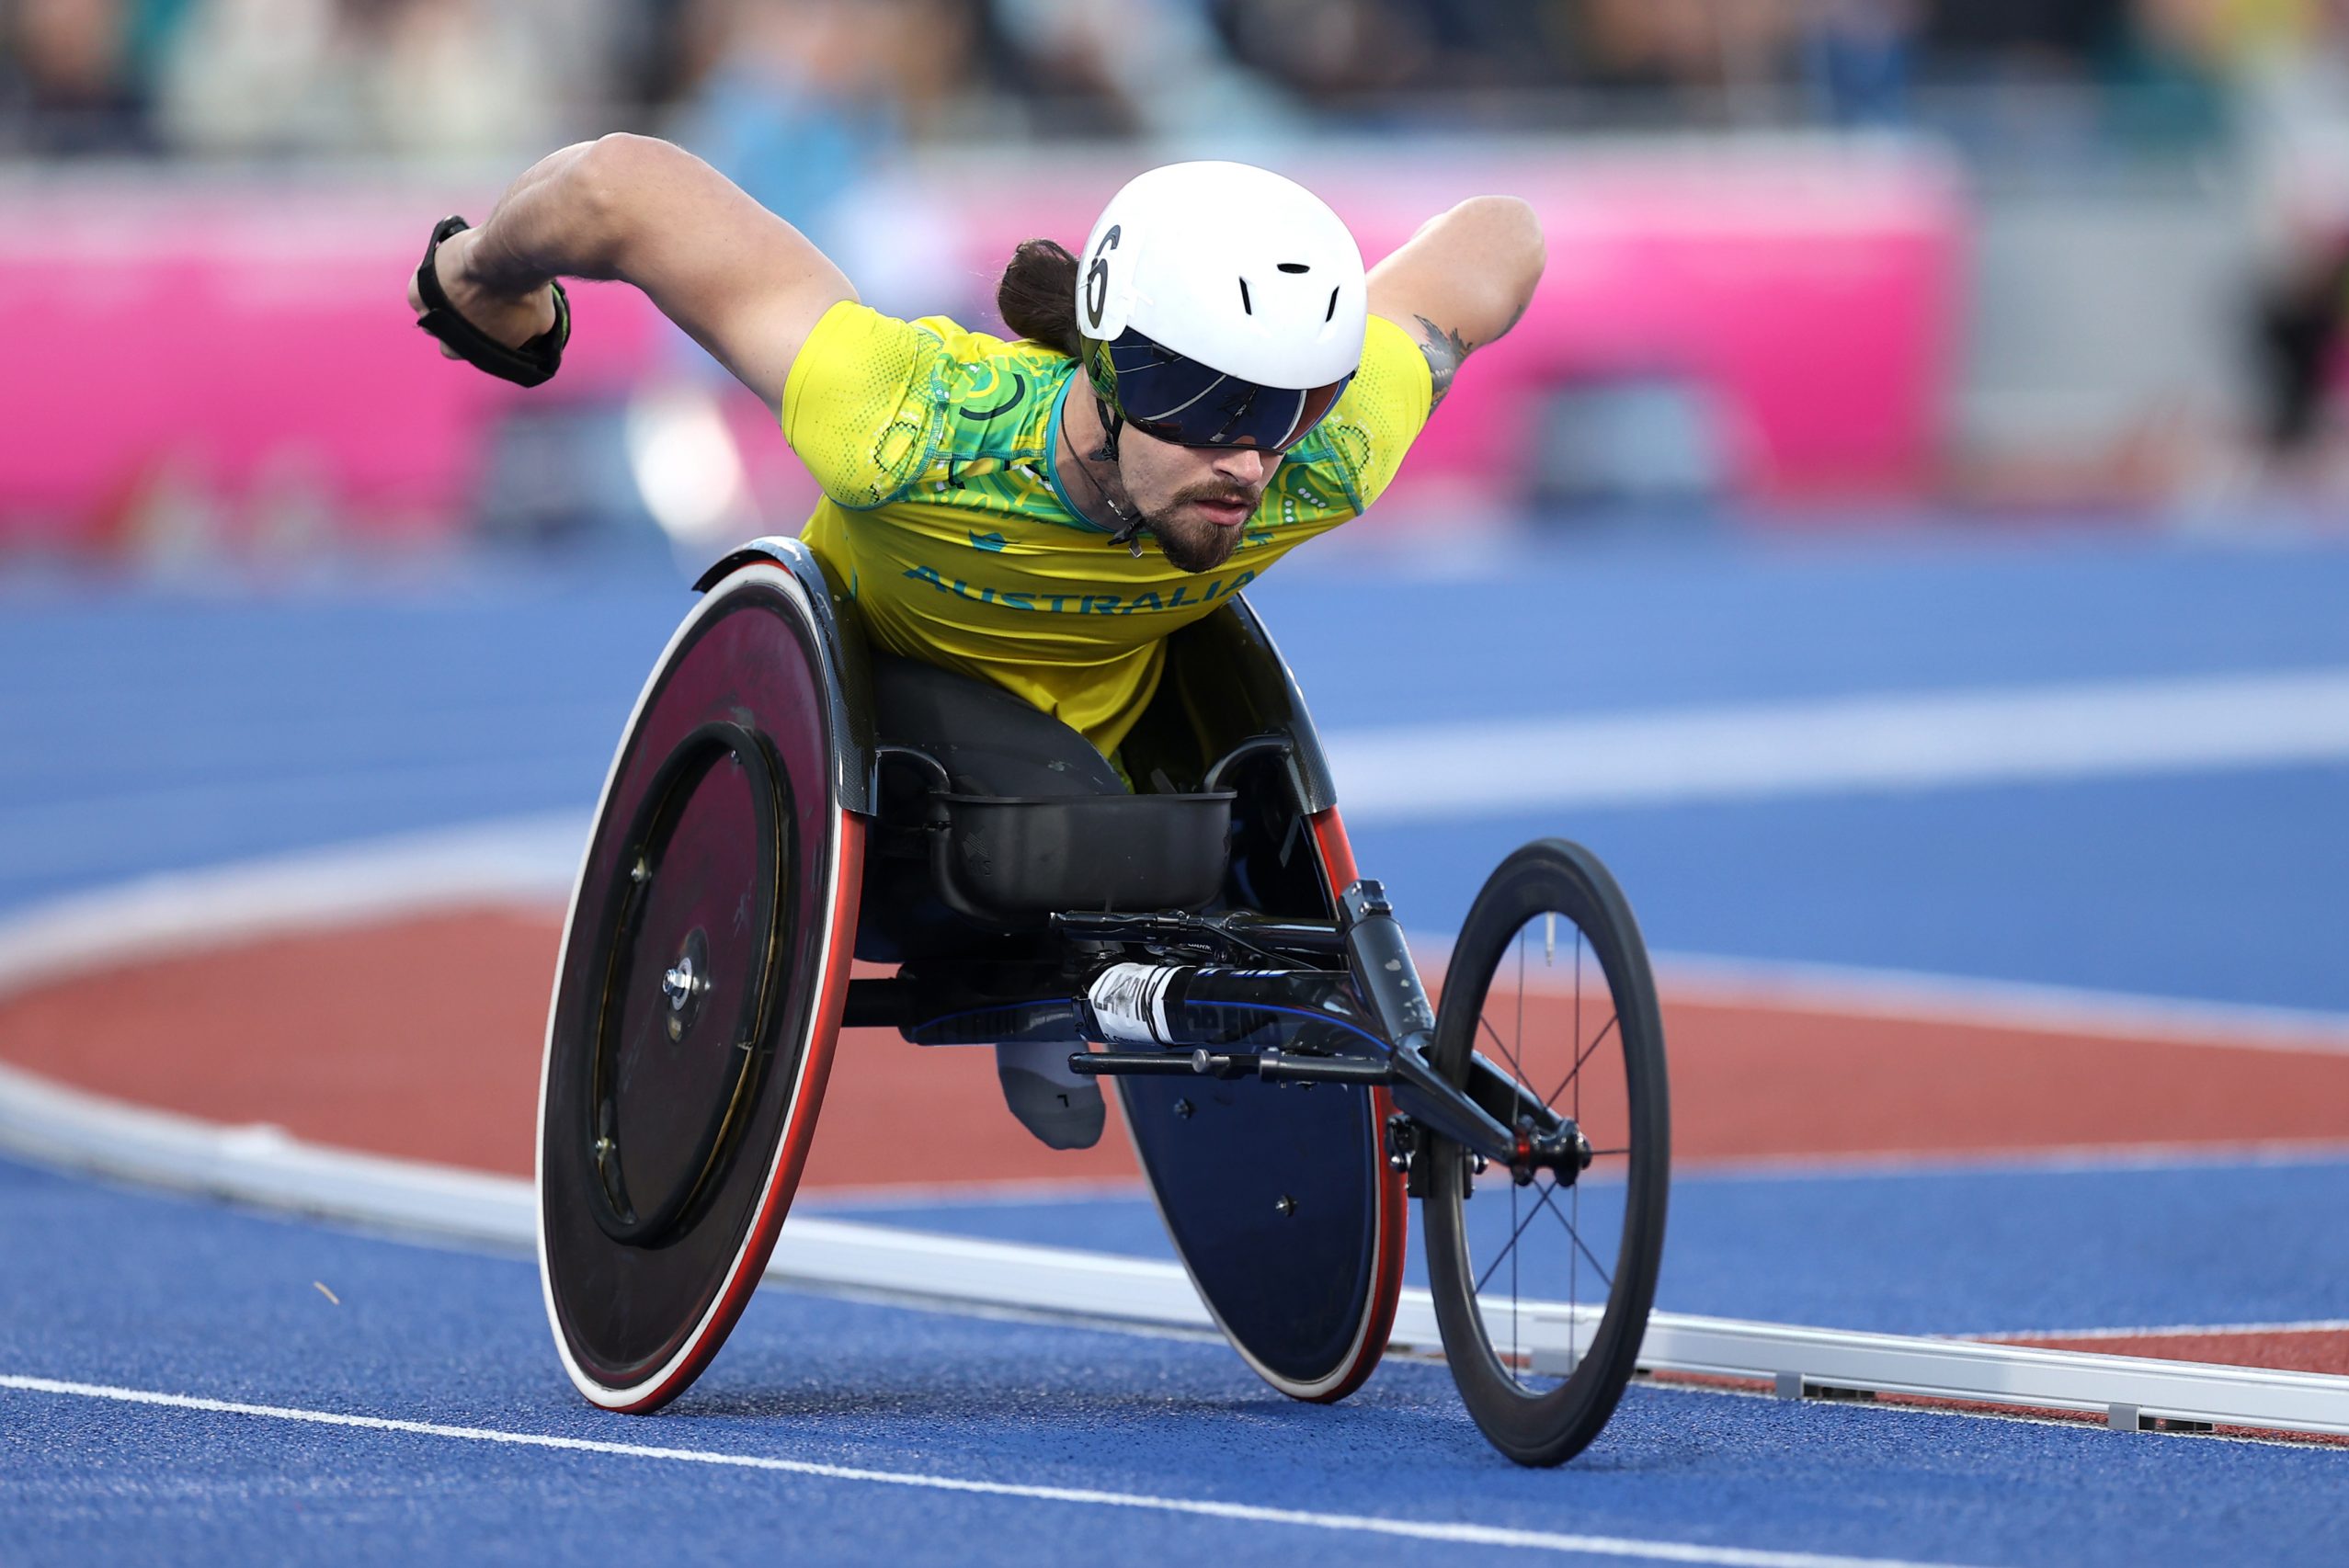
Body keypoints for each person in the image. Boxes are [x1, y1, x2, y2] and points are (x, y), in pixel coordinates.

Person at [409, 135, 1545, 1149]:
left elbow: (1504, 236)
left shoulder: (1323, 454)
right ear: (1110, 364)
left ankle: (1074, 954)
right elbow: (619, 187)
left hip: (1106, 796)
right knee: (1064, 813)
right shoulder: (910, 422)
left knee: (1142, 831)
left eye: (1289, 404)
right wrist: (480, 274)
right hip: (883, 763)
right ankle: (1056, 951)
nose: (1248, 462)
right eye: (1204, 404)